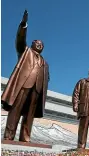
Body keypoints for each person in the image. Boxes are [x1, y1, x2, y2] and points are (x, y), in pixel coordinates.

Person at [1, 10, 49, 142]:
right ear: (32, 44)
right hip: (24, 84)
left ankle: (25, 137)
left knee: (30, 114)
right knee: (16, 109)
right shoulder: (25, 52)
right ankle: (9, 136)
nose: (40, 45)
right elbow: (20, 40)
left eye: (42, 45)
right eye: (37, 43)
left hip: (37, 89)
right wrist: (23, 25)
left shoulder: (44, 62)